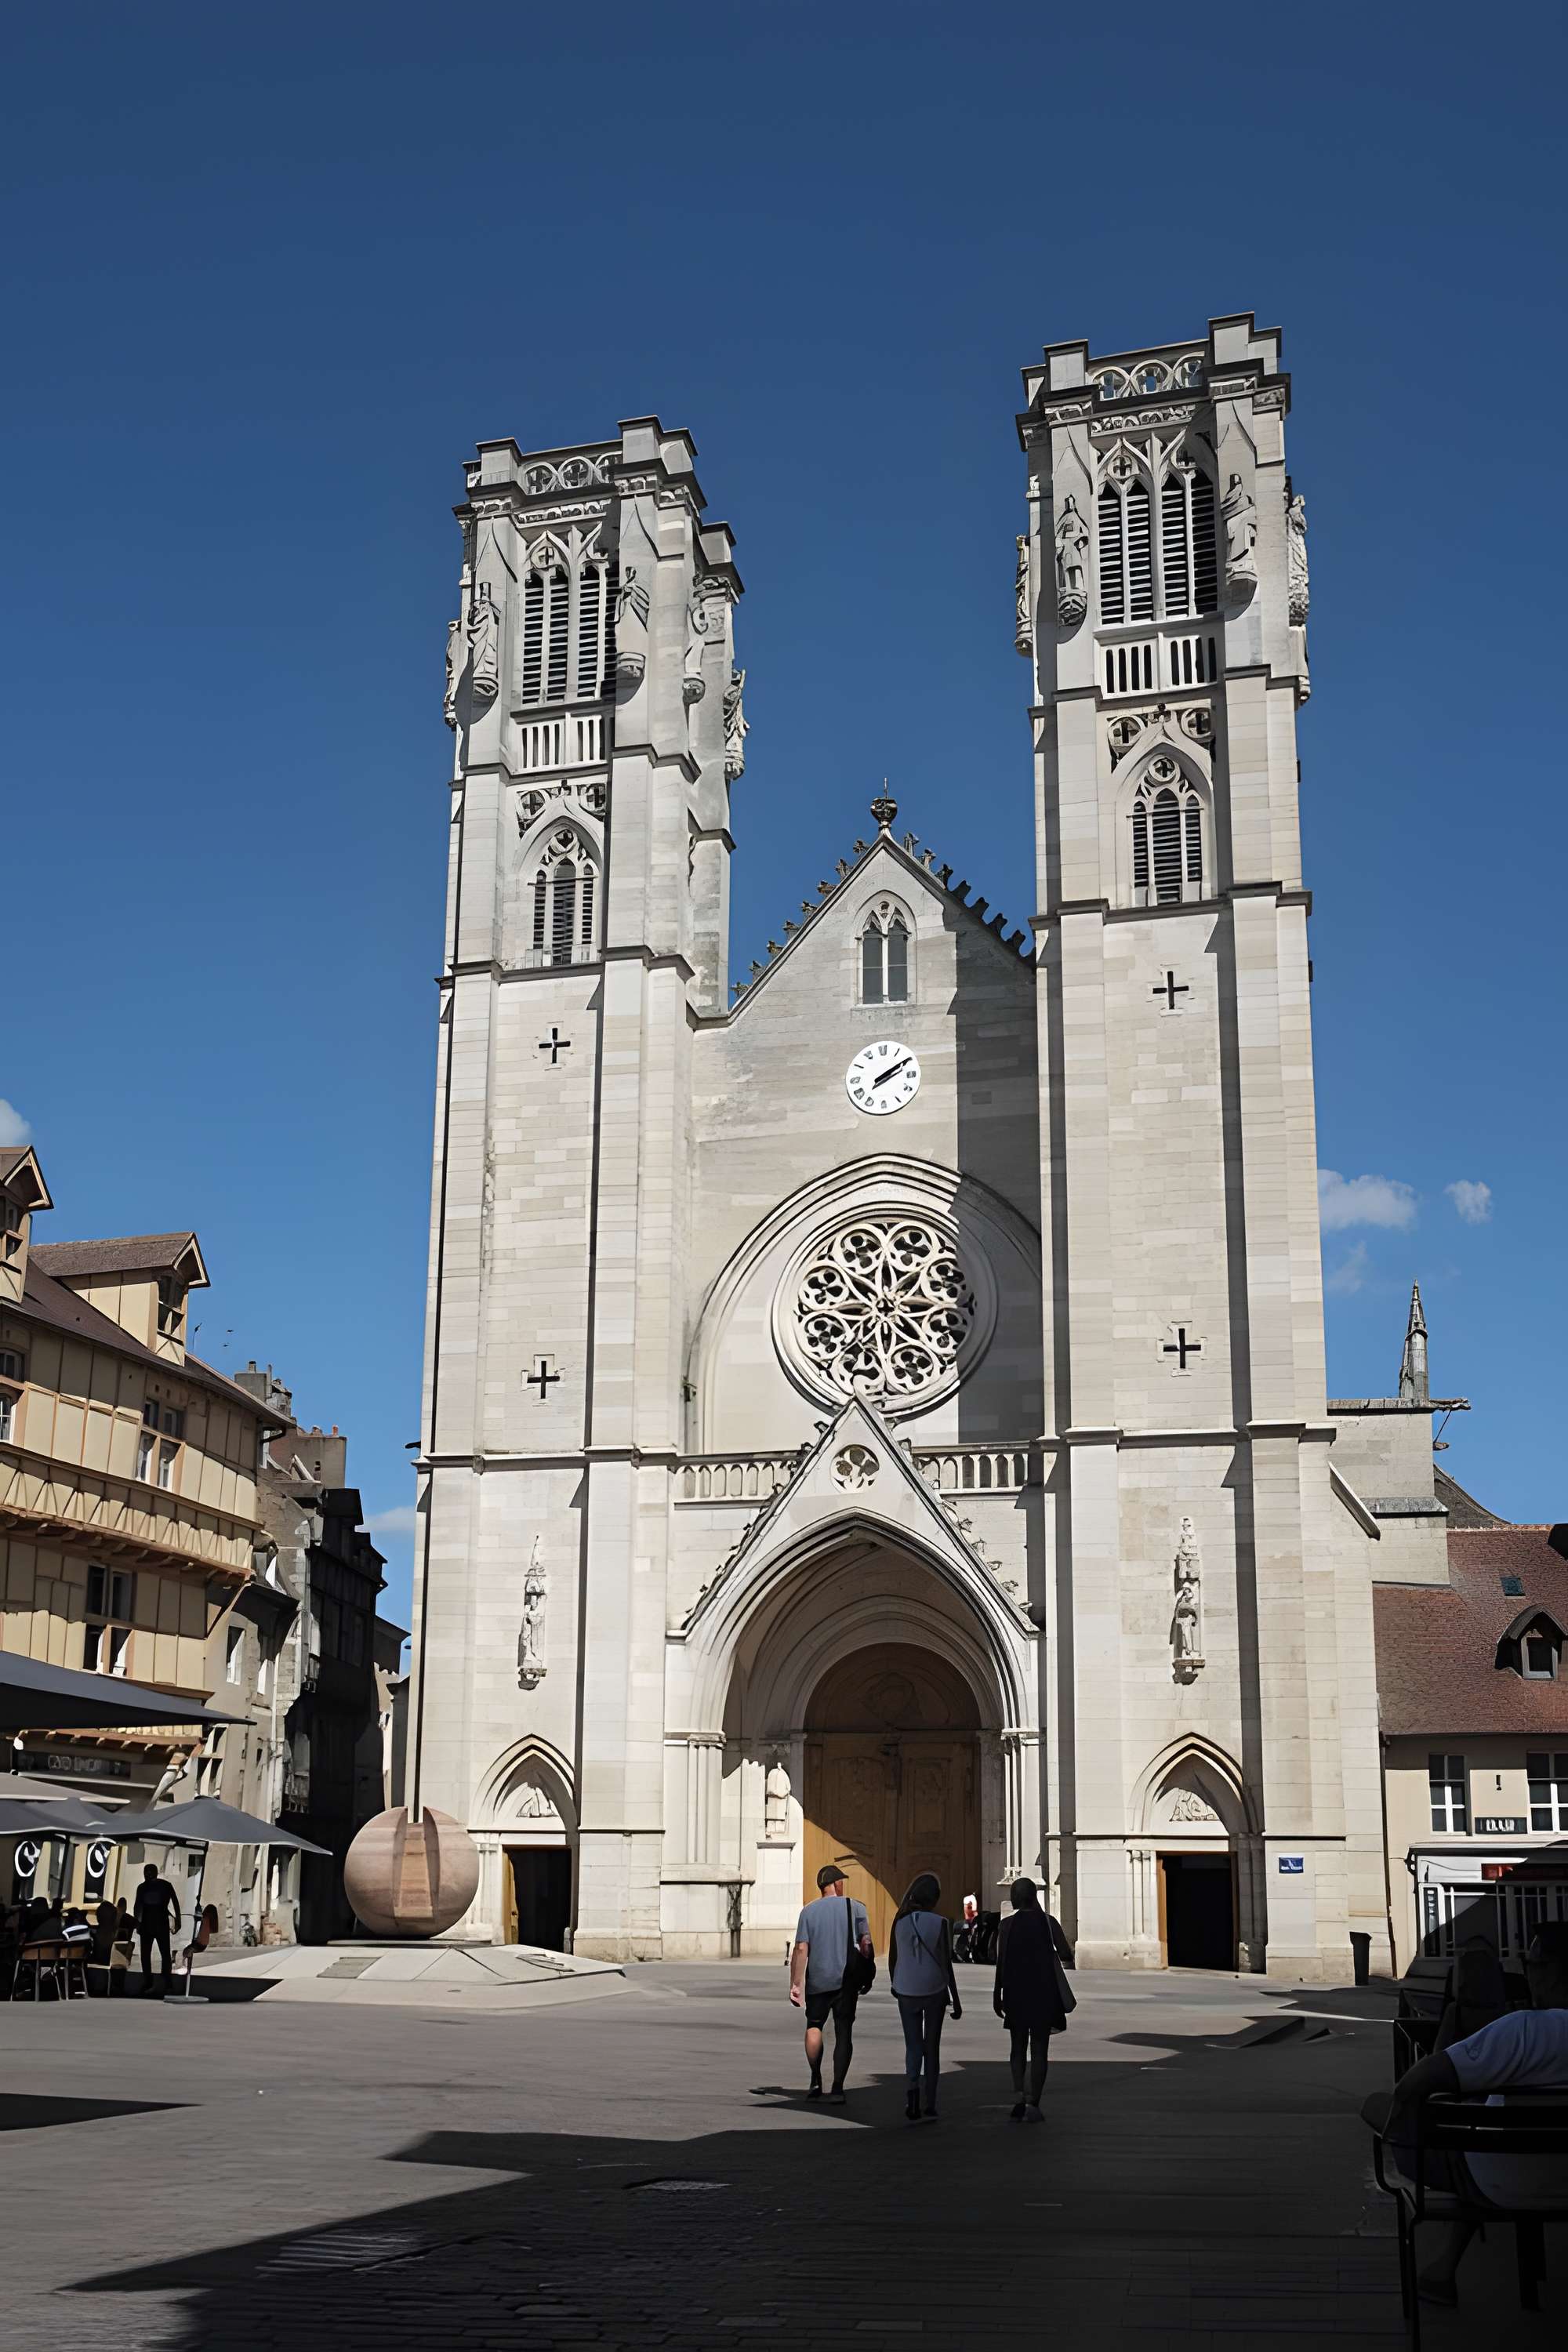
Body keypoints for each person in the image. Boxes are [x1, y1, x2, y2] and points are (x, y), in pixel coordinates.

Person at [1384, 1920, 1568, 2307]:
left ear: (1552, 1970)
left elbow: (1417, 2082)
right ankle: (1443, 2268)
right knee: (1482, 2143)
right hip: (1550, 2169)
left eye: (1529, 1963)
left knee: (1460, 2144)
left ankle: (1441, 2272)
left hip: (1502, 2180)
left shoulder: (1522, 2030)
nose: (1525, 1973)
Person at [789, 1862, 873, 2105]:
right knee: (844, 2031)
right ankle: (838, 2087)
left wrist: (796, 1984)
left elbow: (802, 1948)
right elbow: (866, 1945)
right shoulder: (856, 1908)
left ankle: (815, 2081)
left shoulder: (808, 1912)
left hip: (818, 1981)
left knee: (814, 2026)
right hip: (846, 1982)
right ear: (837, 1884)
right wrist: (866, 1974)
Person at [993, 1876, 1073, 2122]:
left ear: (1015, 1898)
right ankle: (1034, 2102)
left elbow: (1001, 1961)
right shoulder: (1048, 1922)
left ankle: (1019, 2094)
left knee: (1017, 2046)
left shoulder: (1006, 1925)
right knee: (1040, 2049)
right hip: (1043, 1991)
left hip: (1016, 1991)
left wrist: (997, 1994)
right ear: (1034, 1897)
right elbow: (1066, 1953)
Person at [889, 1873, 961, 2122]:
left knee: (913, 2046)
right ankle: (931, 2102)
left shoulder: (899, 1922)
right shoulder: (941, 1923)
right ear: (935, 1898)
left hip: (906, 1988)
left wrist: (895, 1983)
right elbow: (945, 1962)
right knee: (932, 2046)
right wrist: (956, 1998)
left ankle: (912, 2095)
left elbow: (893, 1959)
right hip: (934, 1988)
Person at [132, 1861, 181, 1994]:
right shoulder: (147, 1887)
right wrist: (137, 1922)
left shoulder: (159, 1886)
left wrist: (178, 1920)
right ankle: (157, 1981)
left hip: (155, 1923)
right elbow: (138, 1906)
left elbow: (137, 1906)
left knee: (161, 1954)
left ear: (155, 1873)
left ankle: (163, 1981)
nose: (147, 1874)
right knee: (153, 1954)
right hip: (154, 1923)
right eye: (146, 1872)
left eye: (149, 1872)